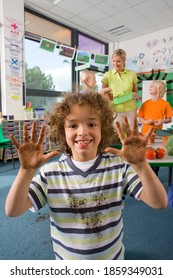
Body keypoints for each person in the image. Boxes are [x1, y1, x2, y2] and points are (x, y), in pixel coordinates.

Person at [5, 92, 167, 260]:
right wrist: (26, 172)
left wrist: (141, 165)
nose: (82, 131)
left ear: (103, 129)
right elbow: (13, 210)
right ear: (62, 131)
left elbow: (159, 202)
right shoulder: (50, 173)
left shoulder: (119, 168)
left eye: (91, 124)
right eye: (73, 126)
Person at [138, 80, 172, 176]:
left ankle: (154, 176)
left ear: (159, 89)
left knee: (155, 156)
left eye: (153, 86)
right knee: (145, 157)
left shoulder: (165, 104)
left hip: (157, 134)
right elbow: (140, 118)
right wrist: (146, 121)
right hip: (144, 134)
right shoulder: (145, 103)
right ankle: (144, 176)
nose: (150, 86)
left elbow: (169, 119)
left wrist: (162, 121)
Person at [101, 48, 139, 129]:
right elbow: (103, 93)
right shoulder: (107, 75)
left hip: (130, 109)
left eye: (118, 61)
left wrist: (136, 95)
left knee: (131, 134)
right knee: (117, 134)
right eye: (114, 61)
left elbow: (135, 91)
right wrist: (109, 99)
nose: (115, 63)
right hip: (115, 109)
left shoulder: (132, 74)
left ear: (124, 61)